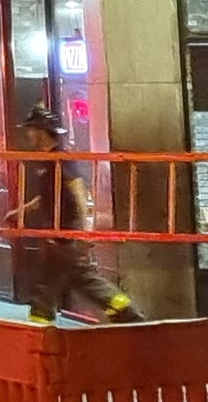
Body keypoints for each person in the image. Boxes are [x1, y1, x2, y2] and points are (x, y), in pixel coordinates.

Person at [12, 103, 139, 325]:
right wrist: (22, 210)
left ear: (41, 131)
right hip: (58, 234)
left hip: (66, 234)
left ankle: (127, 313)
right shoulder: (47, 161)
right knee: (75, 280)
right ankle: (125, 312)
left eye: (30, 129)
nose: (27, 134)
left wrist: (86, 226)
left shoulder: (61, 158)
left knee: (57, 285)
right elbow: (48, 196)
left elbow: (78, 189)